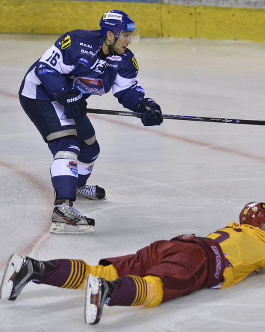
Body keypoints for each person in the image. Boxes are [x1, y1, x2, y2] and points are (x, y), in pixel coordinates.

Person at [0, 202, 265, 325]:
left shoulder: (232, 228)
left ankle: (35, 269)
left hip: (177, 243)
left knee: (105, 267)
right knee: (159, 287)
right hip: (201, 260)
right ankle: (108, 293)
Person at [19, 10, 163, 235]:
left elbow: (127, 90)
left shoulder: (125, 60)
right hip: (40, 94)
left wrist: (144, 105)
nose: (129, 40)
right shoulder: (76, 42)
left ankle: (74, 185)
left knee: (89, 147)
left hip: (70, 100)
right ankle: (63, 209)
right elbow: (45, 69)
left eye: (130, 35)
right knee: (67, 145)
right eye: (124, 34)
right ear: (109, 35)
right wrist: (66, 95)